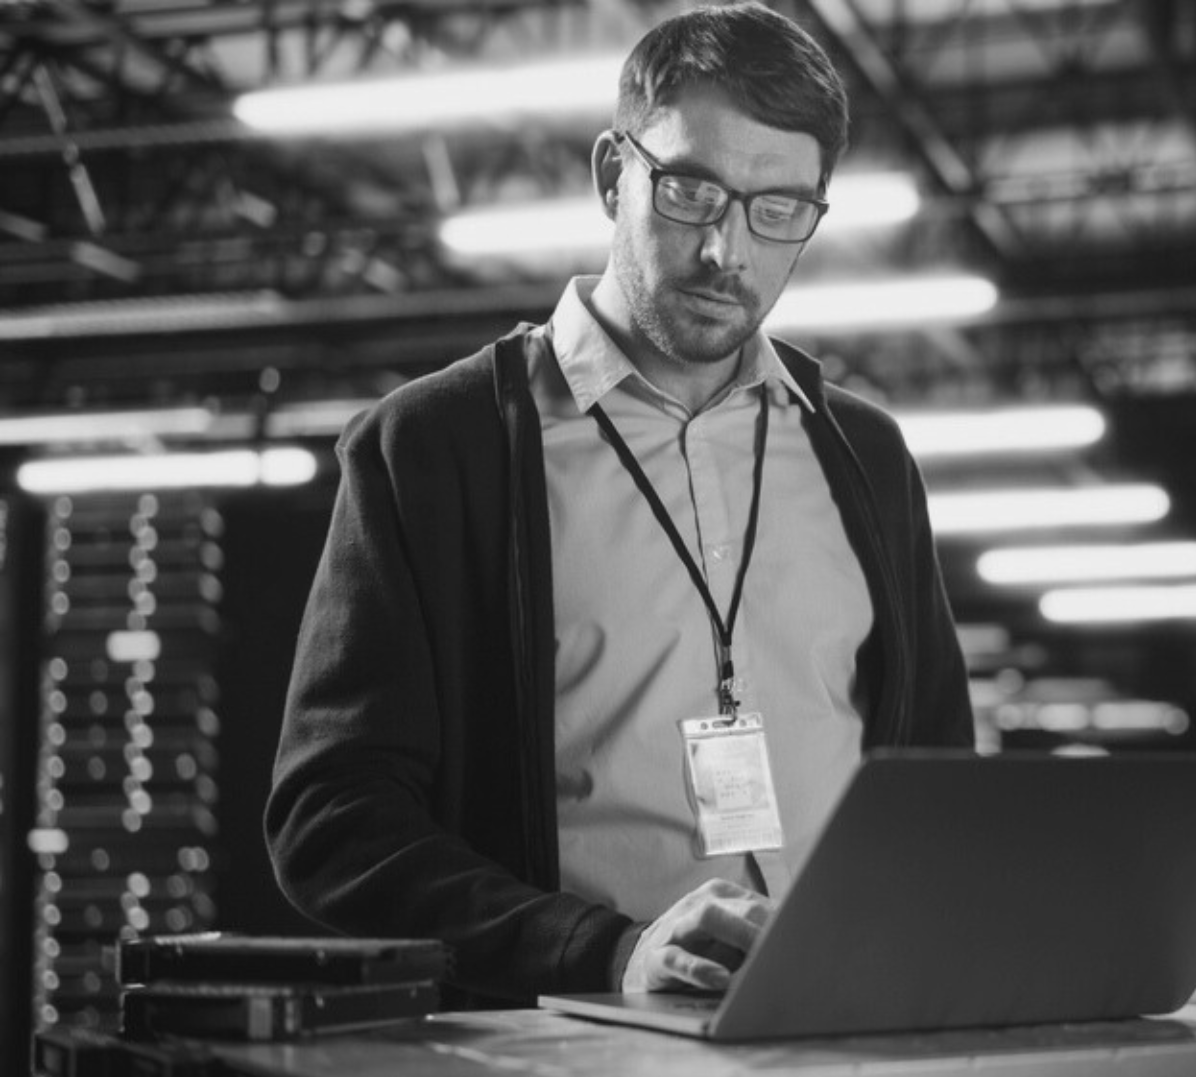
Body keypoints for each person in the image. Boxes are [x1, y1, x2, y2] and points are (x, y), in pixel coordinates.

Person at [264, 1, 974, 1008]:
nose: (728, 249)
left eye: (779, 209)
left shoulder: (862, 452)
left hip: (844, 1024)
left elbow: (938, 777)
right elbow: (331, 819)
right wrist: (600, 951)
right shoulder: (436, 449)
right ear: (612, 174)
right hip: (572, 1037)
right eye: (691, 191)